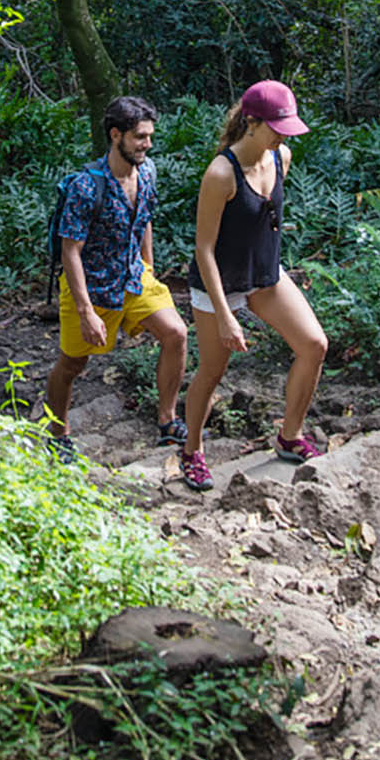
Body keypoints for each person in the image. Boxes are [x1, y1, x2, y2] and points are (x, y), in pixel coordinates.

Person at [179, 80, 330, 491]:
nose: (283, 134)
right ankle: (191, 451)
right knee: (212, 371)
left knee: (314, 345)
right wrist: (226, 316)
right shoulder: (220, 173)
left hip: (264, 274)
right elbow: (204, 250)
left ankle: (291, 436)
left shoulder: (282, 156)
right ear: (251, 122)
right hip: (218, 283)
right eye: (277, 126)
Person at [42, 95, 190, 460]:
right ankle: (57, 433)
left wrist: (149, 268)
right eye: (140, 136)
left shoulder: (148, 171)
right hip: (90, 288)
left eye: (149, 136)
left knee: (177, 333)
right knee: (72, 364)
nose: (147, 144)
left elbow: (145, 219)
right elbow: (70, 252)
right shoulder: (85, 186)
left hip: (134, 278)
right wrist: (85, 311)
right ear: (115, 135)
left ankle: (167, 421)